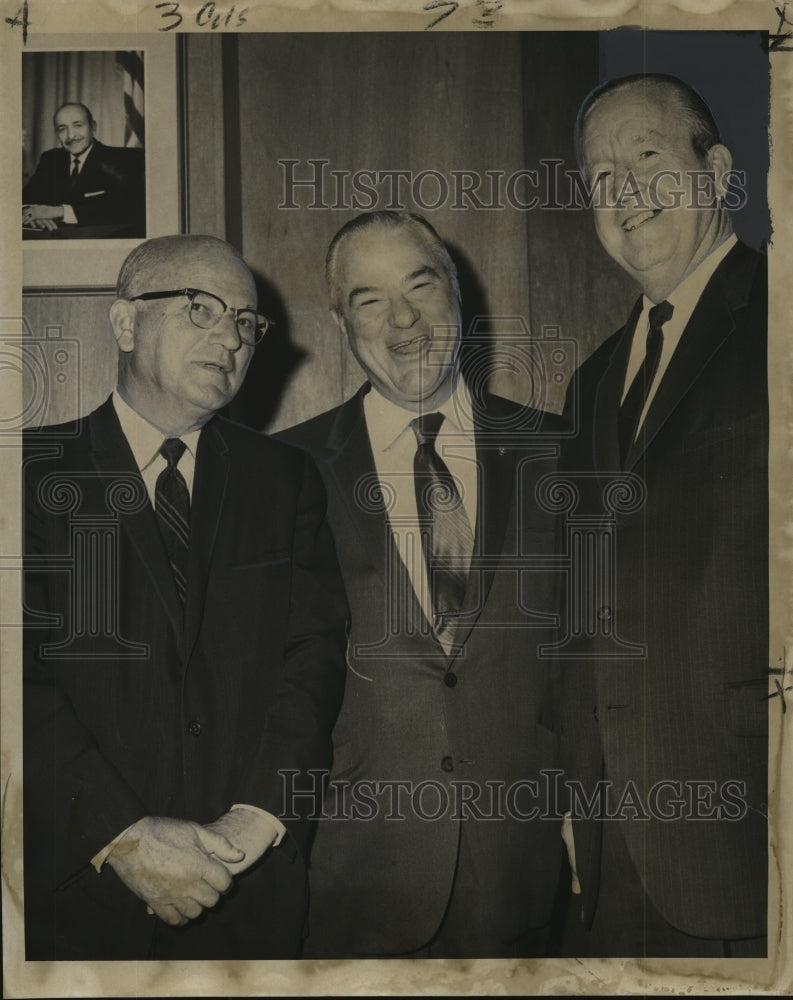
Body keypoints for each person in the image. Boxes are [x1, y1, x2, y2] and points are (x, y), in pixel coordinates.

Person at [23, 234, 349, 959]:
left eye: (244, 322)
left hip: (250, 892)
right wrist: (126, 838)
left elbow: (312, 657)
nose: (229, 337)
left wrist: (254, 823)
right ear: (124, 324)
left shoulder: (285, 479)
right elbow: (17, 681)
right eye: (199, 308)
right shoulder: (28, 474)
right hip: (81, 893)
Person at [279, 211, 566, 958]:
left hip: (527, 888)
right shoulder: (282, 474)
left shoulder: (559, 454)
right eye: (369, 299)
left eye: (419, 283)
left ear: (457, 298)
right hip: (357, 887)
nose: (402, 317)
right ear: (340, 323)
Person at [558, 74, 768, 957]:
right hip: (614, 851)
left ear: (715, 171)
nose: (624, 193)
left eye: (645, 157)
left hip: (753, 828)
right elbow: (580, 602)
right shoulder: (593, 379)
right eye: (600, 179)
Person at [22, 101, 145, 237]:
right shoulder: (50, 159)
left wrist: (59, 212)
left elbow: (125, 208)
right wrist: (32, 214)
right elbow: (26, 198)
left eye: (78, 125)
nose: (70, 136)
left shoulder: (125, 159)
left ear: (93, 127)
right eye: (62, 129)